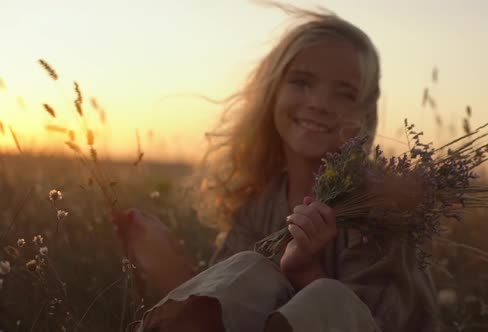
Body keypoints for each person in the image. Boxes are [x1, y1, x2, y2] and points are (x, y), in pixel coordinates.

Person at [112, 3, 437, 331]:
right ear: (273, 93)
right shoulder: (260, 205)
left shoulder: (376, 211)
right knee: (249, 271)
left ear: (364, 116)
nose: (319, 104)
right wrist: (170, 269)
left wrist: (304, 271)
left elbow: (366, 322)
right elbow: (229, 306)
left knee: (327, 297)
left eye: (344, 94)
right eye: (302, 82)